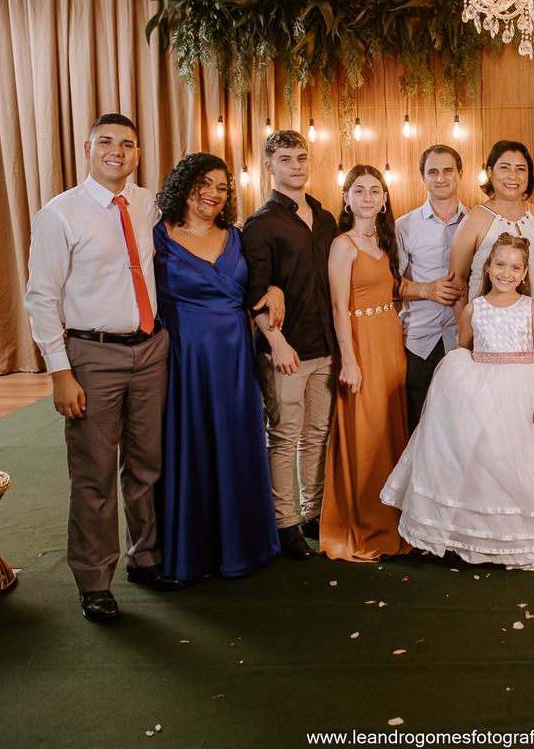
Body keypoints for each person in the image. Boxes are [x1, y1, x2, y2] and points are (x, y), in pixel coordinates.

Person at [24, 113, 182, 622]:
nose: (118, 151)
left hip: (151, 350)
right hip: (92, 355)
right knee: (93, 474)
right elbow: (41, 297)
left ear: (137, 153)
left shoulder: (147, 203)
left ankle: (146, 558)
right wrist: (59, 371)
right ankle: (94, 581)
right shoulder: (60, 214)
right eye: (107, 142)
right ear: (88, 149)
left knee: (147, 464)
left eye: (128, 144)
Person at [381, 234, 534, 571]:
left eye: (515, 268)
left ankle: (517, 541)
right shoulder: (473, 308)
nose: (506, 273)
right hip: (482, 396)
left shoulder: (532, 308)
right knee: (484, 463)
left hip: (522, 394)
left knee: (515, 464)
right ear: (488, 266)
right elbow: (464, 348)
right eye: (500, 265)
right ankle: (478, 538)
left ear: (525, 273)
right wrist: (455, 387)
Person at [154, 153, 282, 582]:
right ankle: (194, 552)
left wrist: (276, 288)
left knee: (235, 441)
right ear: (184, 185)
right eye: (203, 183)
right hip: (184, 359)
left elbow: (260, 281)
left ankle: (243, 546)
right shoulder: (157, 234)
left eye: (222, 187)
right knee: (189, 445)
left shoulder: (236, 236)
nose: (213, 193)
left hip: (233, 357)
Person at [241, 130, 338, 558]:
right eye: (285, 159)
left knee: (317, 433)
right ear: (269, 166)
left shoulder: (326, 217)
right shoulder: (261, 223)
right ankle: (285, 524)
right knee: (284, 436)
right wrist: (276, 342)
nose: (296, 166)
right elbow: (255, 292)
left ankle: (313, 511)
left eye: (301, 157)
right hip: (286, 350)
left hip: (324, 346)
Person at [320, 165, 411, 563]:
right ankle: (370, 524)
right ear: (347, 198)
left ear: (385, 199)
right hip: (362, 346)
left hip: (390, 343)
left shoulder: (384, 240)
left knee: (390, 430)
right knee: (368, 433)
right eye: (359, 190)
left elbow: (394, 290)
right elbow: (338, 306)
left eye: (375, 191)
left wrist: (430, 290)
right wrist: (349, 361)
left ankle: (395, 519)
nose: (368, 198)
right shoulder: (344, 244)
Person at [396, 145, 470, 435]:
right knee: (419, 428)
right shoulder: (404, 227)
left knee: (460, 426)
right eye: (433, 172)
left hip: (465, 341)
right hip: (418, 341)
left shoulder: (477, 221)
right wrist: (426, 289)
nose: (441, 178)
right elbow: (389, 284)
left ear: (460, 174)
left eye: (448, 170)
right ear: (423, 178)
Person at [451, 140, 534, 309]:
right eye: (504, 167)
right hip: (483, 321)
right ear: (490, 172)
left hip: (533, 320)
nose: (513, 175)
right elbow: (457, 280)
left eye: (521, 169)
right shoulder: (473, 220)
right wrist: (463, 322)